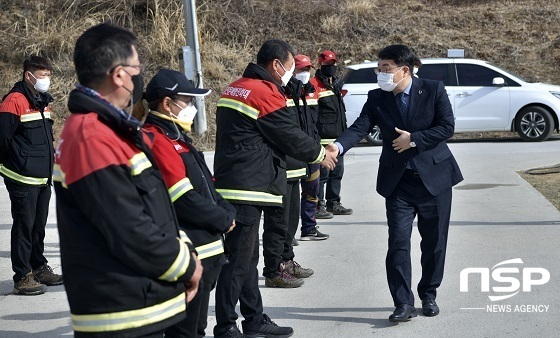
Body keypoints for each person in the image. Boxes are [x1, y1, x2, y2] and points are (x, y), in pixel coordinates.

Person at [53, 23, 202, 337]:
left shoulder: (109, 129)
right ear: (119, 75)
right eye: (137, 69)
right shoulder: (90, 137)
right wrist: (186, 265)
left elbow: (151, 205)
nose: (139, 78)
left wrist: (184, 248)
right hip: (121, 312)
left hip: (137, 302)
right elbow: (129, 228)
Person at [213, 39, 337, 338]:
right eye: (291, 66)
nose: (293, 73)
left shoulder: (237, 86)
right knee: (238, 263)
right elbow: (288, 134)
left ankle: (254, 319)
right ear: (276, 65)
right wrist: (321, 155)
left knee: (246, 260)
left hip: (238, 181)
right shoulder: (262, 92)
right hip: (247, 186)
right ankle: (226, 326)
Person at [331, 44, 463, 322]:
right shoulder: (378, 97)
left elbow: (447, 127)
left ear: (404, 70)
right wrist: (337, 148)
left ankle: (428, 294)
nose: (381, 74)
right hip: (399, 183)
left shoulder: (433, 89)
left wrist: (413, 138)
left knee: (434, 243)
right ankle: (402, 302)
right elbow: (359, 127)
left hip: (434, 181)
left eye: (385, 68)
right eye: (379, 69)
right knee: (398, 243)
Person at [142, 68, 237, 338]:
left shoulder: (177, 139)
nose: (191, 107)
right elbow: (182, 198)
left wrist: (226, 210)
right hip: (189, 251)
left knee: (196, 329)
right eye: (186, 100)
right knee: (185, 332)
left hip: (205, 249)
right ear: (167, 103)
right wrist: (221, 219)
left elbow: (207, 186)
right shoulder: (158, 140)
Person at [0, 55, 63, 295]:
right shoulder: (14, 101)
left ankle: (38, 267)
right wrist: (15, 165)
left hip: (42, 178)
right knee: (24, 227)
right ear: (29, 76)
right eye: (43, 75)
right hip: (22, 178)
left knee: (38, 226)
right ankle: (22, 275)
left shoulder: (42, 101)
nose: (46, 79)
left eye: (48, 75)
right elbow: (2, 139)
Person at [262, 55, 320, 289]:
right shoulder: (275, 92)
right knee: (278, 222)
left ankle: (287, 260)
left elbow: (308, 127)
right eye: (295, 68)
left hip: (299, 163)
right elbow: (284, 132)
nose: (300, 72)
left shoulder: (301, 90)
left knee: (291, 218)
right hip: (281, 165)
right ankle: (274, 268)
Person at [311, 50, 353, 219]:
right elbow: (312, 114)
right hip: (323, 139)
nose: (332, 67)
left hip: (338, 139)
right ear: (321, 65)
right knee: (322, 176)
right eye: (328, 64)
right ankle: (318, 206)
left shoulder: (336, 83)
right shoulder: (314, 85)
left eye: (333, 64)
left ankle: (333, 203)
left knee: (337, 173)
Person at [293, 54, 330, 241]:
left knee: (312, 192)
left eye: (307, 69)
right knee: (288, 198)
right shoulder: (285, 92)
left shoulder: (313, 91)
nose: (305, 73)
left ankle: (309, 228)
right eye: (301, 69)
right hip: (291, 153)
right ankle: (287, 235)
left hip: (311, 151)